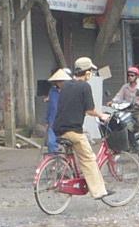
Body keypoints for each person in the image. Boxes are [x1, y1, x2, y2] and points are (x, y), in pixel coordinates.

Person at [53, 57, 111, 200]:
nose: (90, 73)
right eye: (90, 71)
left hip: (59, 129)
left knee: (76, 150)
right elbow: (90, 110)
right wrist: (102, 115)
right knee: (88, 159)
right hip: (73, 131)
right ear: (86, 72)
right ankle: (99, 192)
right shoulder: (85, 86)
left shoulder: (66, 86)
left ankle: (73, 176)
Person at [44, 68, 70, 152]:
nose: (60, 83)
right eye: (58, 81)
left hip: (66, 123)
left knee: (69, 145)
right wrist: (47, 121)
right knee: (51, 143)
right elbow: (50, 107)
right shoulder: (52, 91)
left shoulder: (69, 91)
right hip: (53, 122)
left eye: (62, 81)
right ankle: (54, 162)